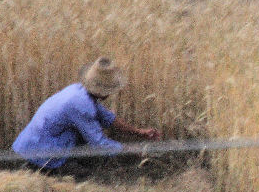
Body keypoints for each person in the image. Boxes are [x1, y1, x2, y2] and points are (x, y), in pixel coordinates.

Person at [12, 57, 161, 176]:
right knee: (88, 177)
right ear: (103, 91)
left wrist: (139, 132)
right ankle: (46, 171)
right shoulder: (80, 106)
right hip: (39, 154)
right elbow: (100, 144)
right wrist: (133, 150)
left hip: (29, 145)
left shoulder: (77, 90)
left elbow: (108, 118)